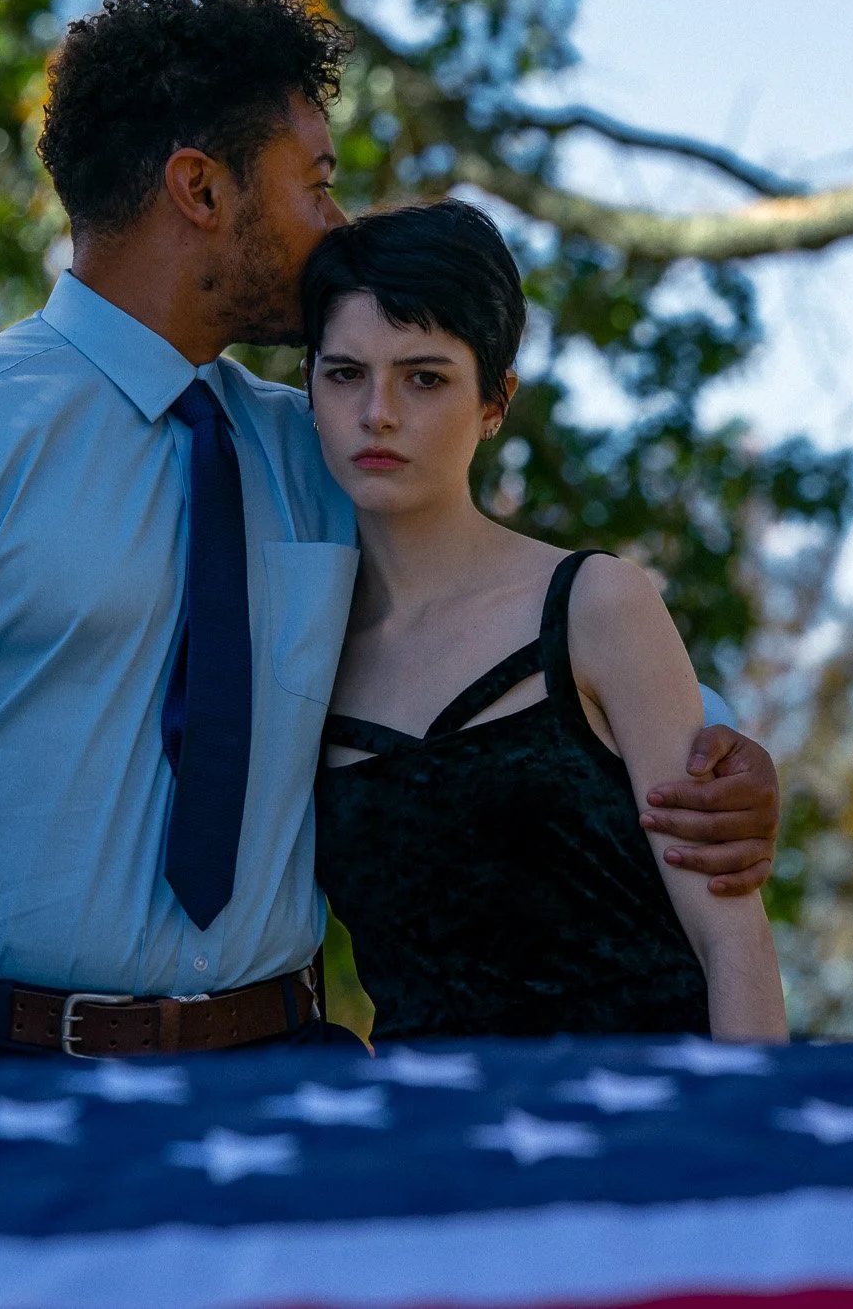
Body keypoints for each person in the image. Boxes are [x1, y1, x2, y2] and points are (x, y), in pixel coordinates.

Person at [0, 0, 782, 1077]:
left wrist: (710, 754)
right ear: (200, 188)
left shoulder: (324, 450)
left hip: (283, 1079)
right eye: (315, 183)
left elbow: (502, 617)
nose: (333, 224)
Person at [308, 200, 789, 1043]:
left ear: (496, 401)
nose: (377, 411)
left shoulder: (597, 605)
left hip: (654, 1127)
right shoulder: (302, 656)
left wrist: (753, 1146)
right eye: (345, 372)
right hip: (438, 1147)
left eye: (424, 377)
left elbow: (731, 935)